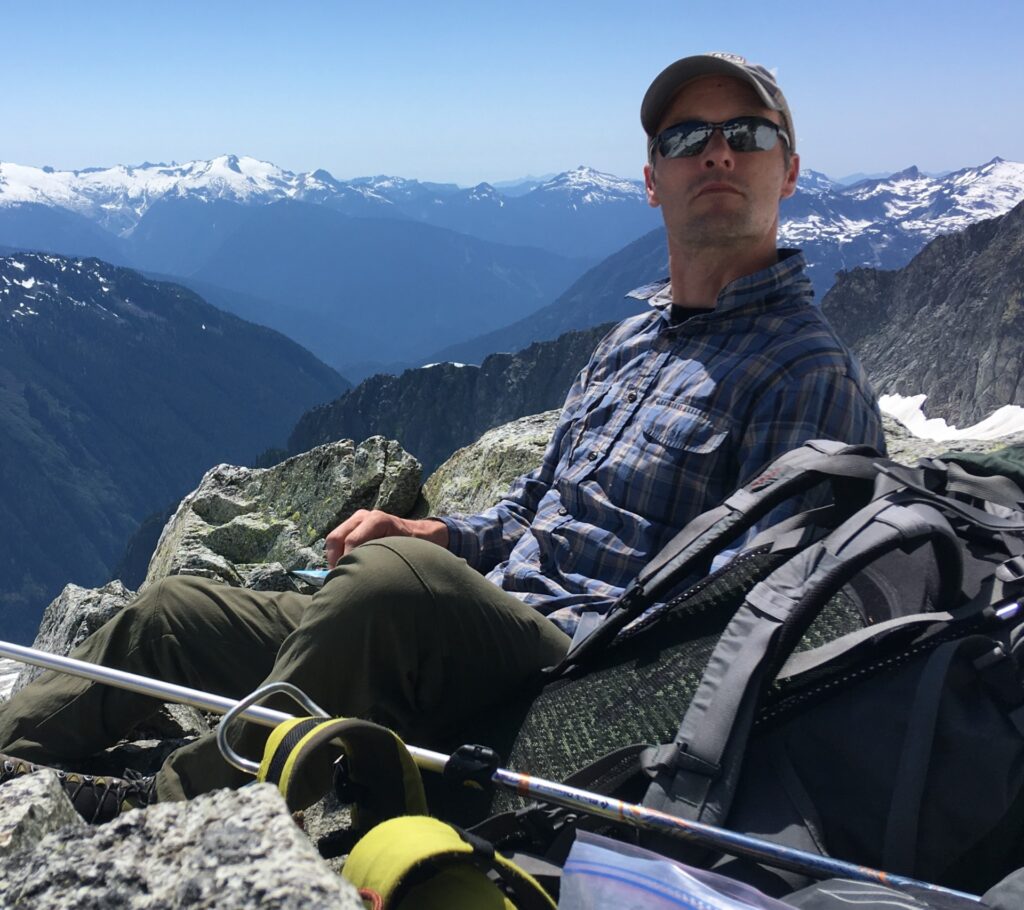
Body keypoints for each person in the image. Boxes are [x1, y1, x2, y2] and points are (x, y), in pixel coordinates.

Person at [0, 52, 886, 821]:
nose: (719, 151)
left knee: (388, 588)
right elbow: (532, 511)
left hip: (578, 679)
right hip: (467, 625)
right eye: (686, 139)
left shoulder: (808, 378)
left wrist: (442, 583)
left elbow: (767, 623)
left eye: (749, 134)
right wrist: (436, 532)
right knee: (174, 611)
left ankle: (172, 807)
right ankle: (11, 759)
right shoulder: (629, 345)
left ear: (790, 169)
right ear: (654, 180)